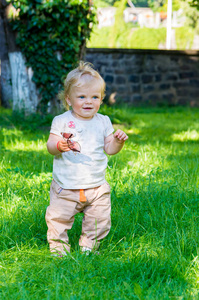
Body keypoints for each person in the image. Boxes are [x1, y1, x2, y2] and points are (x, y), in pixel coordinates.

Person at [45, 61, 128, 256]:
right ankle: (58, 248)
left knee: (99, 219)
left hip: (96, 186)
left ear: (101, 99)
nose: (88, 101)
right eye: (81, 97)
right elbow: (50, 146)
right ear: (69, 99)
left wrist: (118, 142)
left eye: (94, 97)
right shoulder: (62, 121)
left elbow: (110, 149)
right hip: (66, 186)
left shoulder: (103, 121)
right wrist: (58, 146)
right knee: (58, 219)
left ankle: (89, 247)